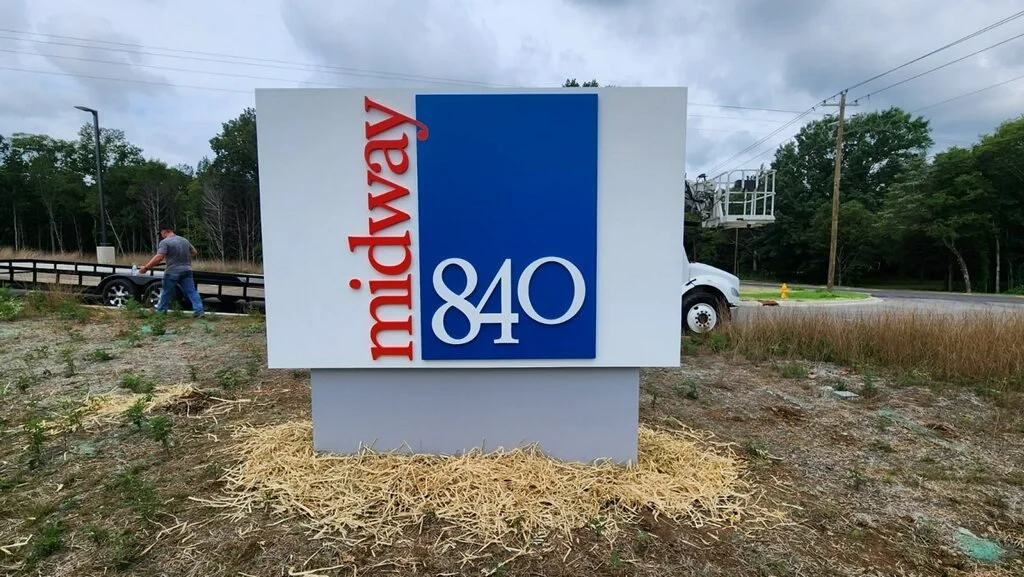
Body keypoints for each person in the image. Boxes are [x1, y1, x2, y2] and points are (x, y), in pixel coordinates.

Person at [138, 225, 205, 317]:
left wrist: (145, 268)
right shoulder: (184, 240)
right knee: (192, 291)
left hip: (172, 271)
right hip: (187, 270)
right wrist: (182, 257)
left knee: (166, 291)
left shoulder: (165, 242)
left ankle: (161, 311)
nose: (161, 235)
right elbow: (194, 252)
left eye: (161, 233)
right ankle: (199, 311)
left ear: (165, 231)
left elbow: (159, 257)